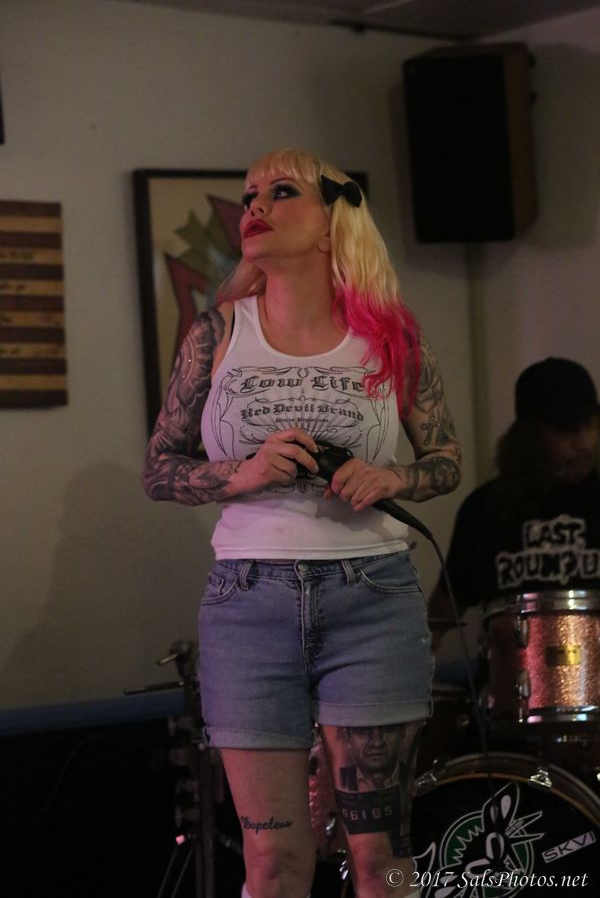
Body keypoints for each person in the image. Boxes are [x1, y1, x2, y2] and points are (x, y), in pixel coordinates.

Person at [142, 148, 461, 898]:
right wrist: (244, 473)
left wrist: (393, 476)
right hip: (249, 601)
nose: (256, 205)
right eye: (250, 193)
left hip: (371, 596)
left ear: (331, 223)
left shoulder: (392, 336)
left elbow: (446, 459)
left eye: (282, 192)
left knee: (381, 862)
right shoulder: (217, 333)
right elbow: (159, 468)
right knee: (274, 865)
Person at [428, 356, 600, 649]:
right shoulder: (485, 509)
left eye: (589, 426)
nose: (584, 443)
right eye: (566, 429)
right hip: (513, 675)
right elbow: (441, 615)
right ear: (529, 436)